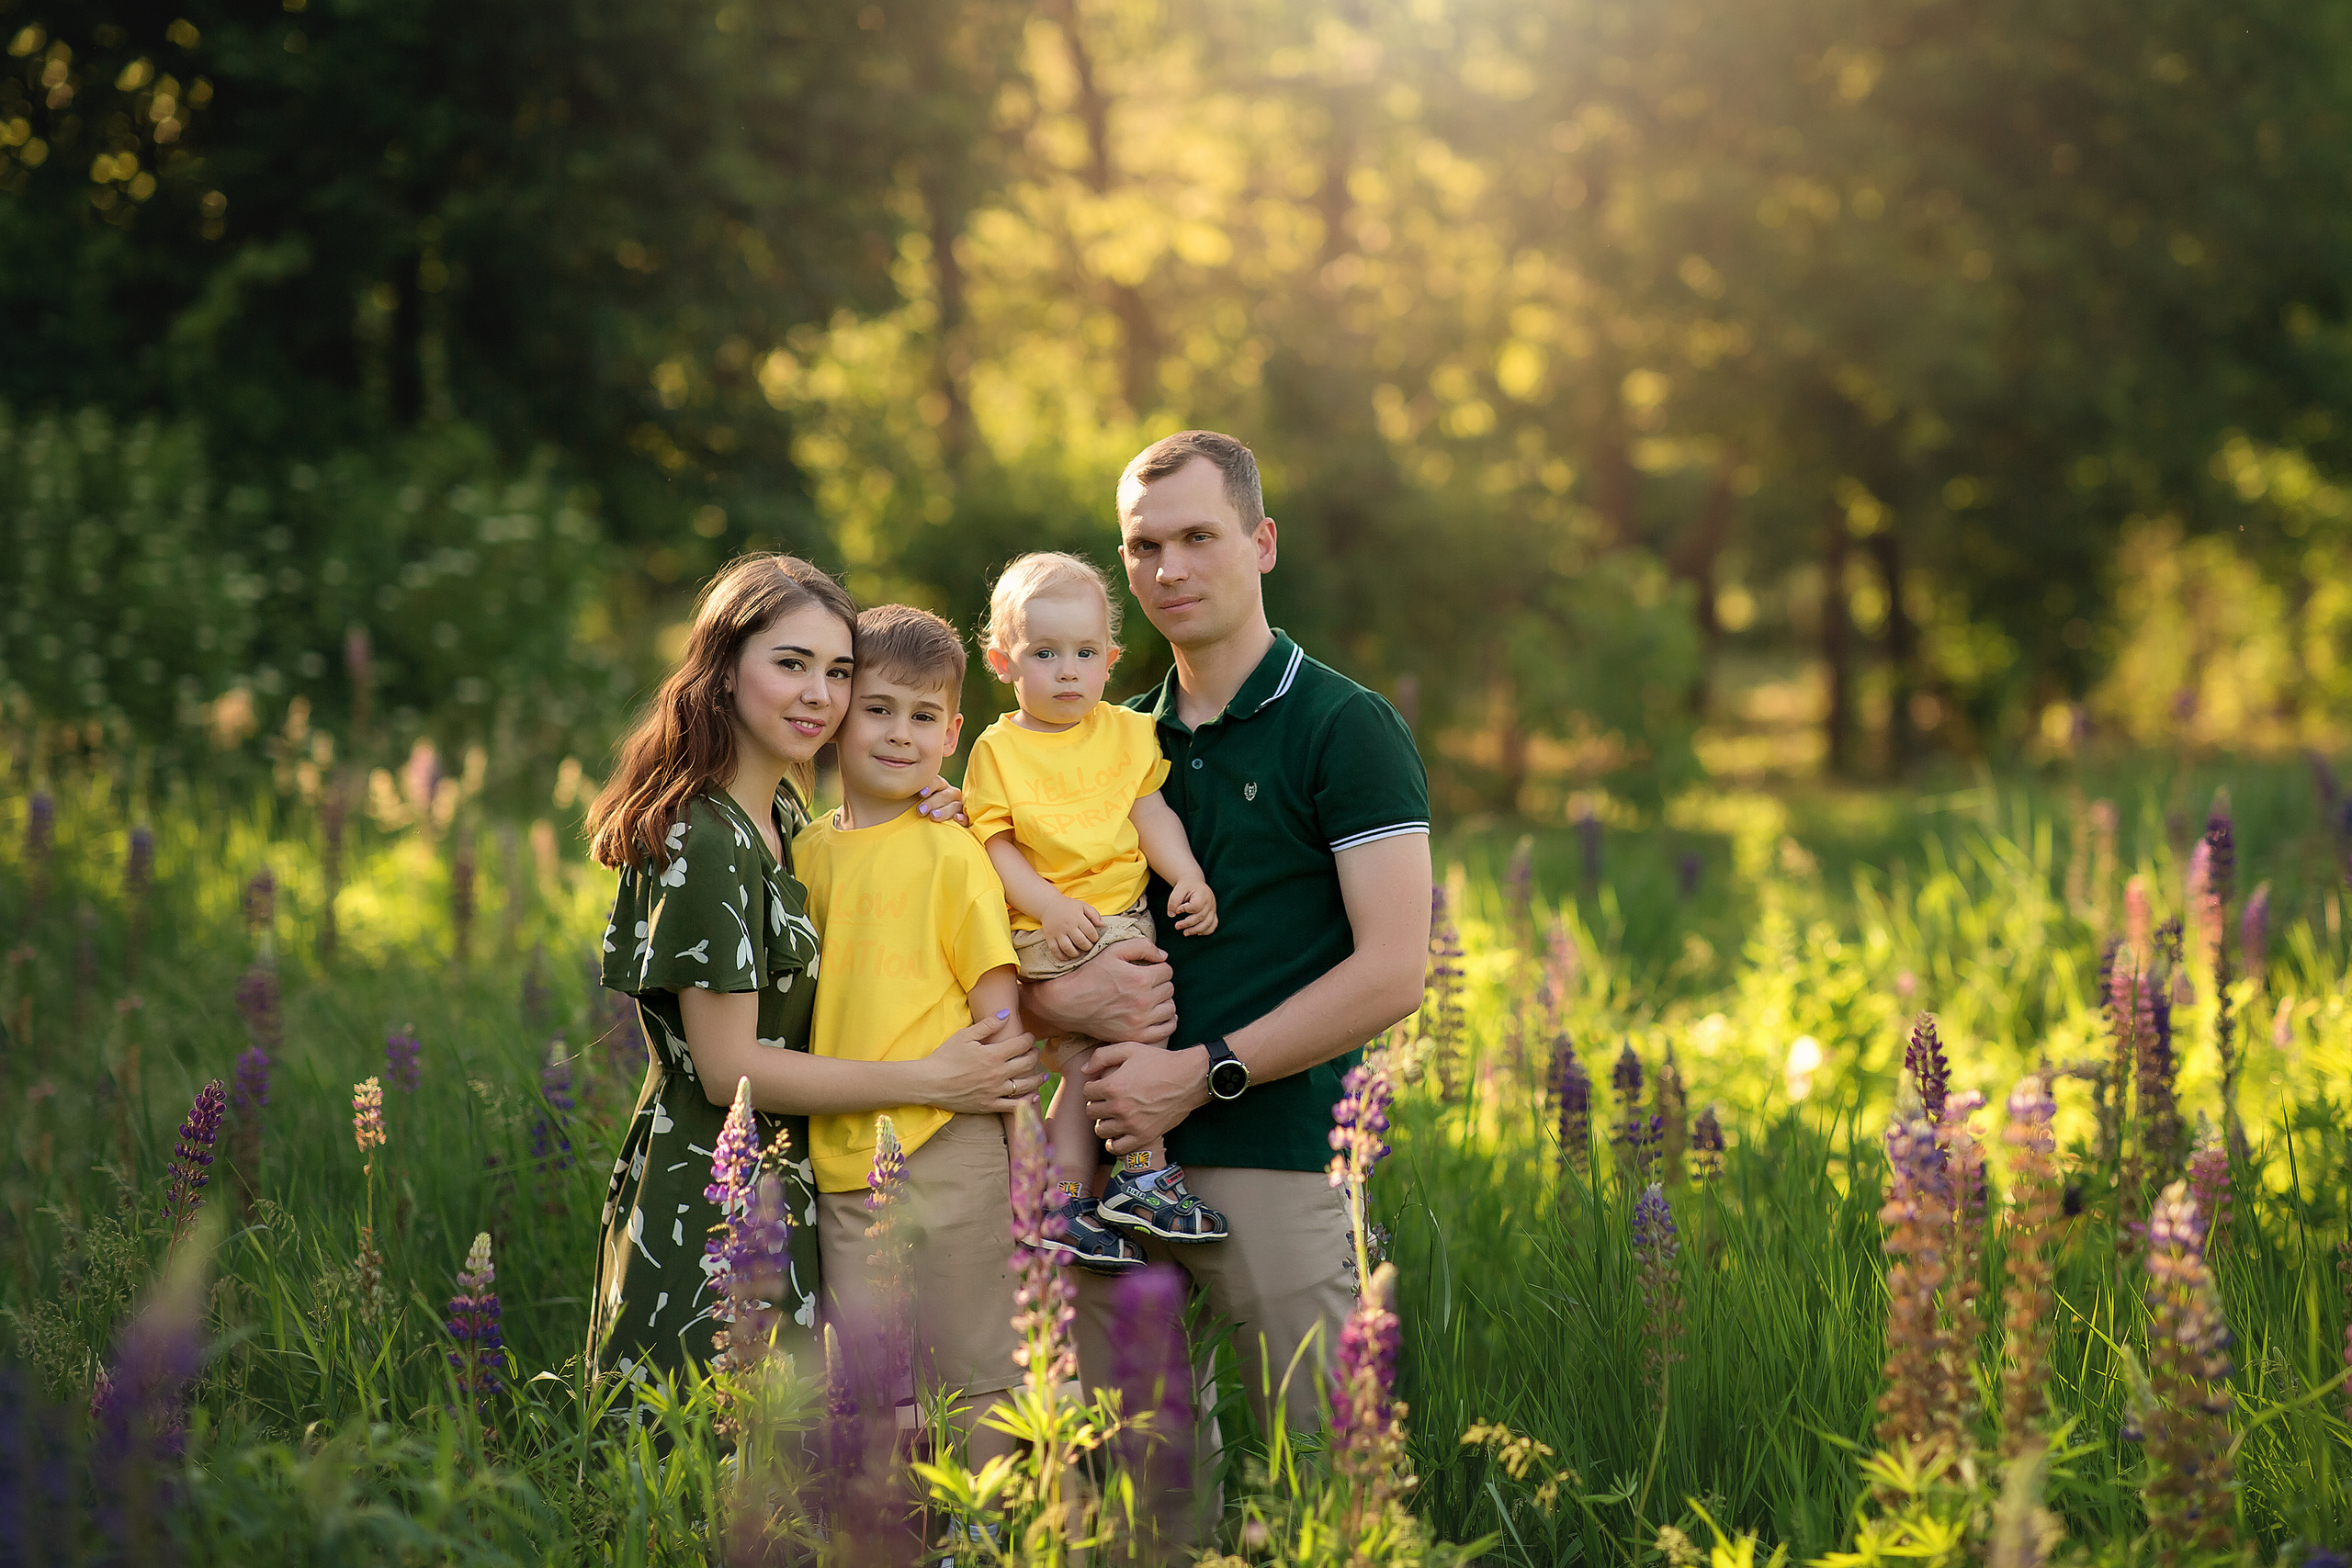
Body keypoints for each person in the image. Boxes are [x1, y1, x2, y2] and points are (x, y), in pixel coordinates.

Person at [1023, 431, 1432, 1487]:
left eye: (1198, 537)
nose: (1168, 569)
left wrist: (1196, 1073)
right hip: (1115, 1181)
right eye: (1142, 545)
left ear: (1262, 542)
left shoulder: (1344, 727)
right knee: (1139, 1514)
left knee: (1333, 1488)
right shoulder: (1109, 739)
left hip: (1277, 1161)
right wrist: (1062, 997)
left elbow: (1393, 972)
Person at [582, 556, 1043, 1404]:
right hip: (710, 1202)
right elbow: (729, 1070)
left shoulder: (788, 823)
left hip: (796, 1177)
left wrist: (936, 803)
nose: (818, 694)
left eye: (837, 671)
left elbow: (880, 897)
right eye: (790, 663)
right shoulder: (709, 837)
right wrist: (929, 1078)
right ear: (722, 674)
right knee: (704, 1484)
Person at [793, 604, 1028, 1460]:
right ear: (839, 714)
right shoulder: (805, 855)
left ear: (953, 731)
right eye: (880, 709)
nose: (900, 734)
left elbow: (999, 1009)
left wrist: (1021, 1151)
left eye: (923, 716)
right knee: (870, 1383)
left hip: (952, 1140)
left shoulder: (952, 851)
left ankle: (989, 1530)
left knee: (976, 1365)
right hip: (842, 1150)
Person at [963, 551, 1227, 1273]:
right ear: (1003, 661)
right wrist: (1048, 907)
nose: (1068, 670)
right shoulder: (1000, 748)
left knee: (1087, 1067)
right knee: (1144, 1029)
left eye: (1085, 652)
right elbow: (993, 844)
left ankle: (1063, 1200)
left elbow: (1152, 816)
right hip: (1057, 927)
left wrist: (1188, 874)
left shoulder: (1125, 732)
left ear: (1111, 659)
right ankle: (1144, 1174)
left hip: (1125, 914)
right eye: (1045, 654)